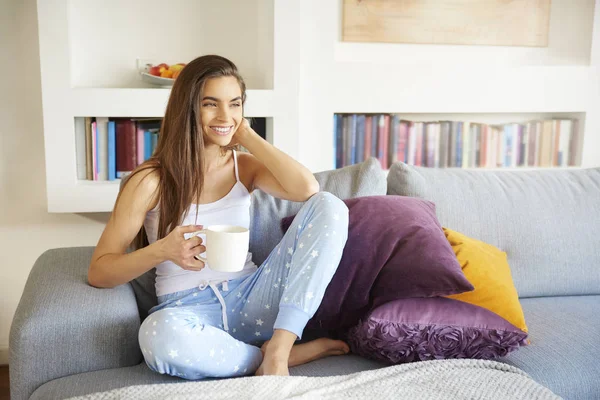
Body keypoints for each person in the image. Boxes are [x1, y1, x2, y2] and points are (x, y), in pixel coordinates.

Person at [88, 55, 350, 379]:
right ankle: (260, 358)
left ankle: (281, 349)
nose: (225, 115)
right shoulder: (149, 181)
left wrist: (247, 137)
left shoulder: (244, 167)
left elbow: (307, 188)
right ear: (188, 109)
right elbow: (100, 271)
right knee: (156, 335)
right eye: (211, 104)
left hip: (255, 298)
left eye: (235, 104)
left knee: (329, 205)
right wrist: (162, 251)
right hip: (189, 310)